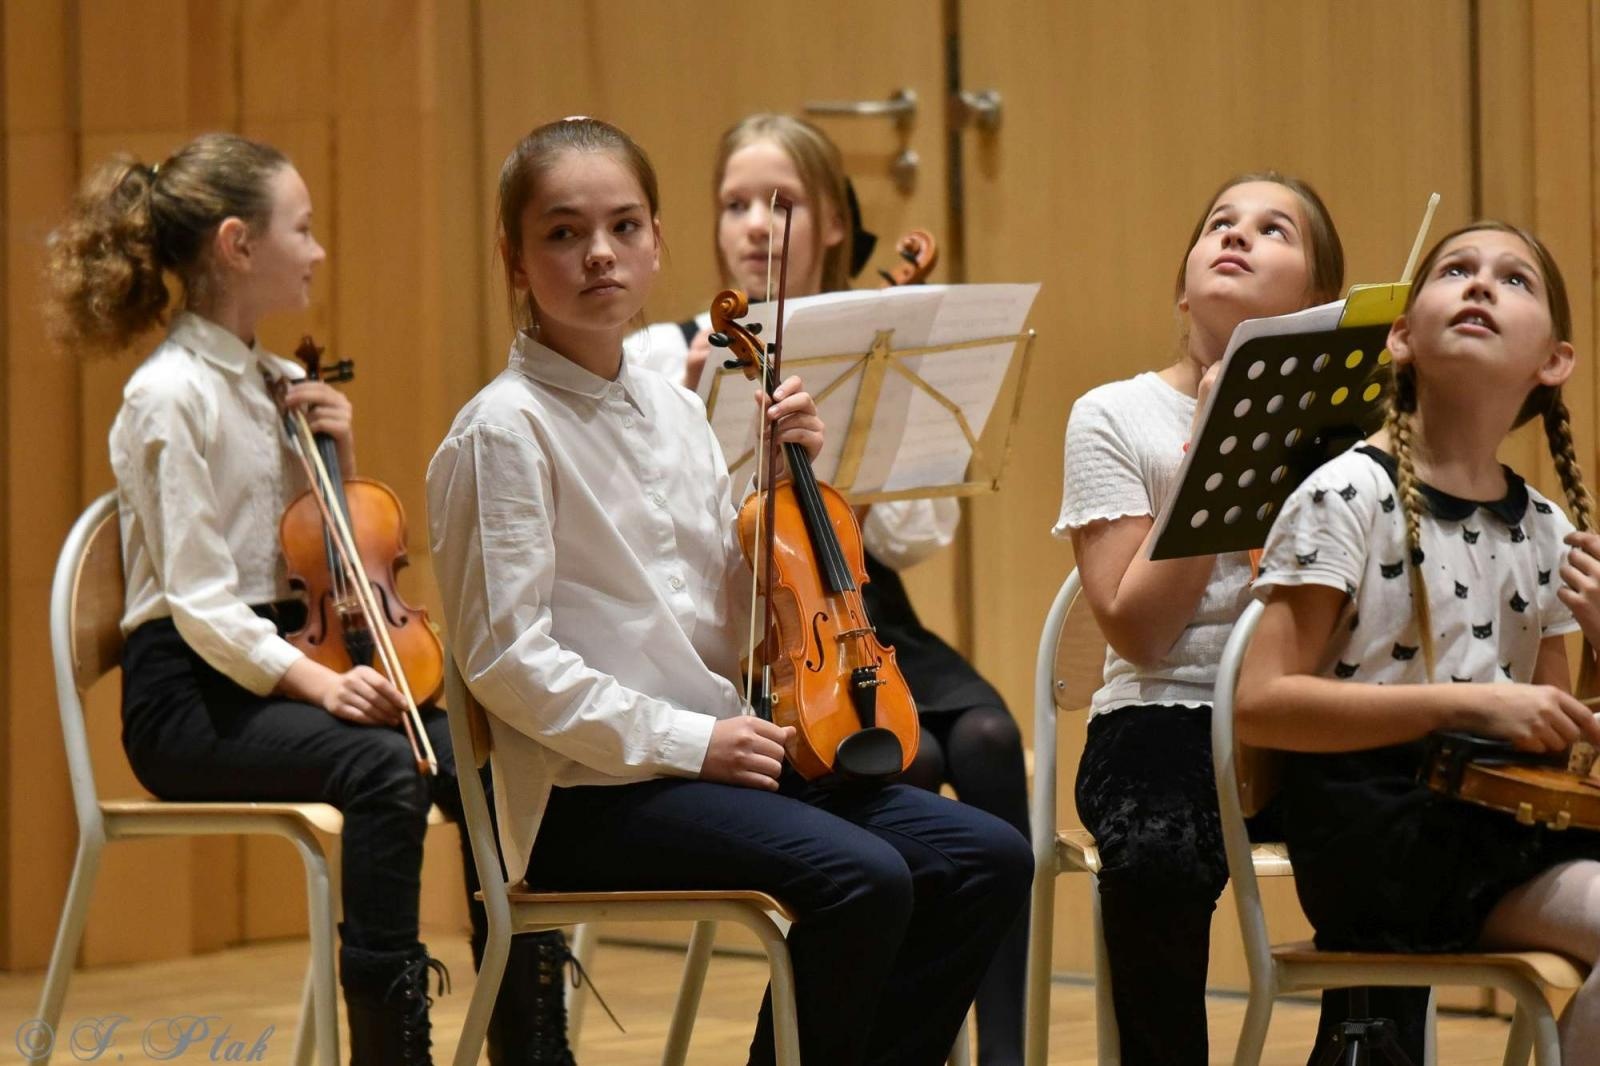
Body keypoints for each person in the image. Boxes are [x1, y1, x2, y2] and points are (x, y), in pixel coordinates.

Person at [426, 116, 1033, 1066]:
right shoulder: (500, 433)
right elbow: (507, 662)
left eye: (625, 227)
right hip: (589, 797)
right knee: (864, 877)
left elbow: (733, 613)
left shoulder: (678, 406)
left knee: (987, 858)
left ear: (658, 241)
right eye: (562, 232)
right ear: (513, 257)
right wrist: (694, 740)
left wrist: (791, 489)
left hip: (714, 762)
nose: (599, 254)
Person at [43, 132, 551, 1066]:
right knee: (382, 770)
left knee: (495, 762)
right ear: (239, 244)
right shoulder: (168, 398)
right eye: (303, 230)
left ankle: (532, 1040)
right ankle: (390, 1048)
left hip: (283, 669)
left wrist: (341, 462)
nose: (319, 251)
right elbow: (197, 601)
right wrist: (321, 689)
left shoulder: (284, 385)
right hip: (190, 700)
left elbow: (330, 561)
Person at [634, 114, 1031, 1063]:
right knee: (912, 755)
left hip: (862, 609)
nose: (755, 227)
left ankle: (1008, 1046)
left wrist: (857, 443)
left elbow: (915, 541)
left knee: (988, 738)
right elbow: (684, 547)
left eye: (781, 204)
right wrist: (701, 419)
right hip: (751, 624)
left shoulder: (879, 342)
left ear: (834, 227)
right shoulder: (666, 354)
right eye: (733, 205)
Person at [1237, 221, 1600, 1061]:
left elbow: (1553, 751)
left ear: (1556, 360)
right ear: (1402, 336)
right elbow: (1259, 705)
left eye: (1515, 281)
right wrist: (1474, 703)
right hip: (1380, 827)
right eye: (1455, 271)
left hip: (1497, 822)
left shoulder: (1547, 528)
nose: (1480, 286)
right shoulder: (1343, 496)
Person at [1055, 171, 1371, 1065]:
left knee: (1399, 845)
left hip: (1306, 709)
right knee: (1156, 855)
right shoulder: (1113, 414)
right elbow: (1139, 633)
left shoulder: (1355, 430)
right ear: (1183, 281)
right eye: (1219, 225)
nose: (1236, 236)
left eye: (1275, 230)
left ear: (1317, 300)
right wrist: (1215, 453)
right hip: (1164, 708)